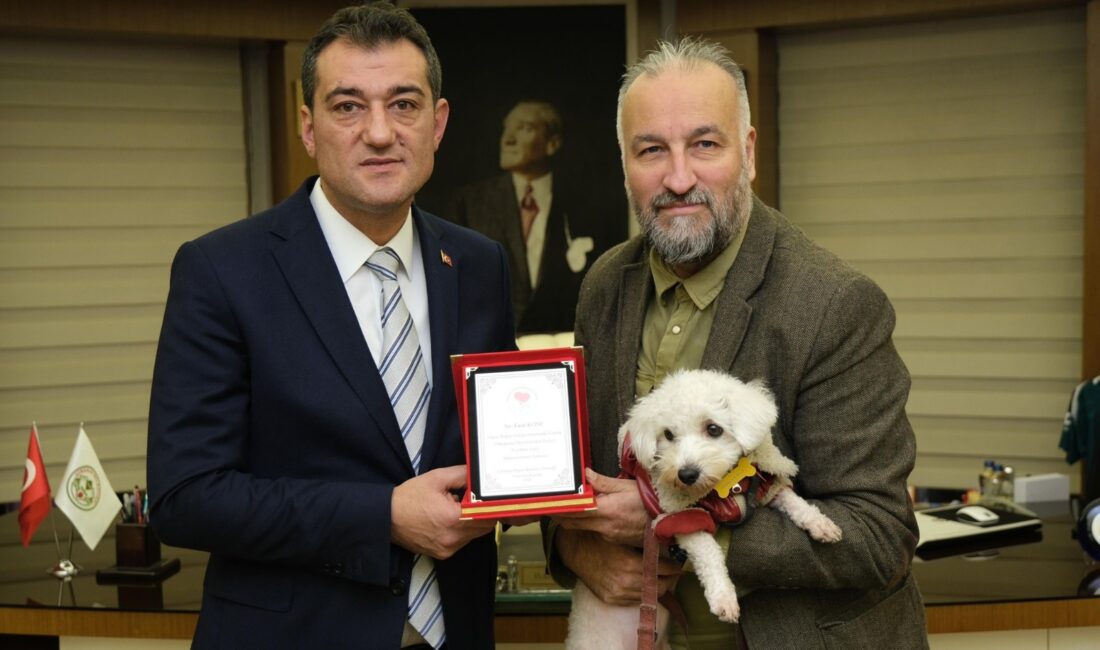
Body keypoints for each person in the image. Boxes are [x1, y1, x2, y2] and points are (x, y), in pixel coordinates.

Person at [146, 4, 515, 649]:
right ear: (308, 127)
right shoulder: (222, 270)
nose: (379, 132)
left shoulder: (479, 263)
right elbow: (187, 495)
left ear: (439, 123)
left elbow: (498, 442)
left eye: (404, 104)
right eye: (348, 106)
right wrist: (384, 517)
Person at [546, 37, 929, 648]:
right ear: (624, 165)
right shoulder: (604, 287)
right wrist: (573, 546)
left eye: (704, 144)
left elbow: (878, 535)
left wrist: (671, 521)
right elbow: (582, 477)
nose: (678, 177)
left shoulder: (834, 304)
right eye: (651, 150)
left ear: (747, 152)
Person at [449, 101, 607, 334]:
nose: (508, 139)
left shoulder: (585, 205)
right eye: (506, 129)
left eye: (524, 128)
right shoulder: (469, 204)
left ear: (552, 144)